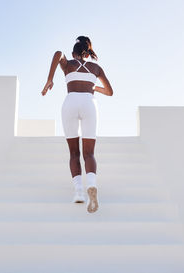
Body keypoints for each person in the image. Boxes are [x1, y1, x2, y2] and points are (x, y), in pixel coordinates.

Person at [41, 36, 113, 213]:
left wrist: (50, 79)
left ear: (73, 53)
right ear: (87, 54)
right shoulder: (95, 68)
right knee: (89, 153)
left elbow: (58, 53)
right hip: (90, 103)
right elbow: (110, 92)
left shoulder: (69, 65)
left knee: (74, 152)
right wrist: (93, 87)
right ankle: (92, 185)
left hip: (71, 102)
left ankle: (79, 192)